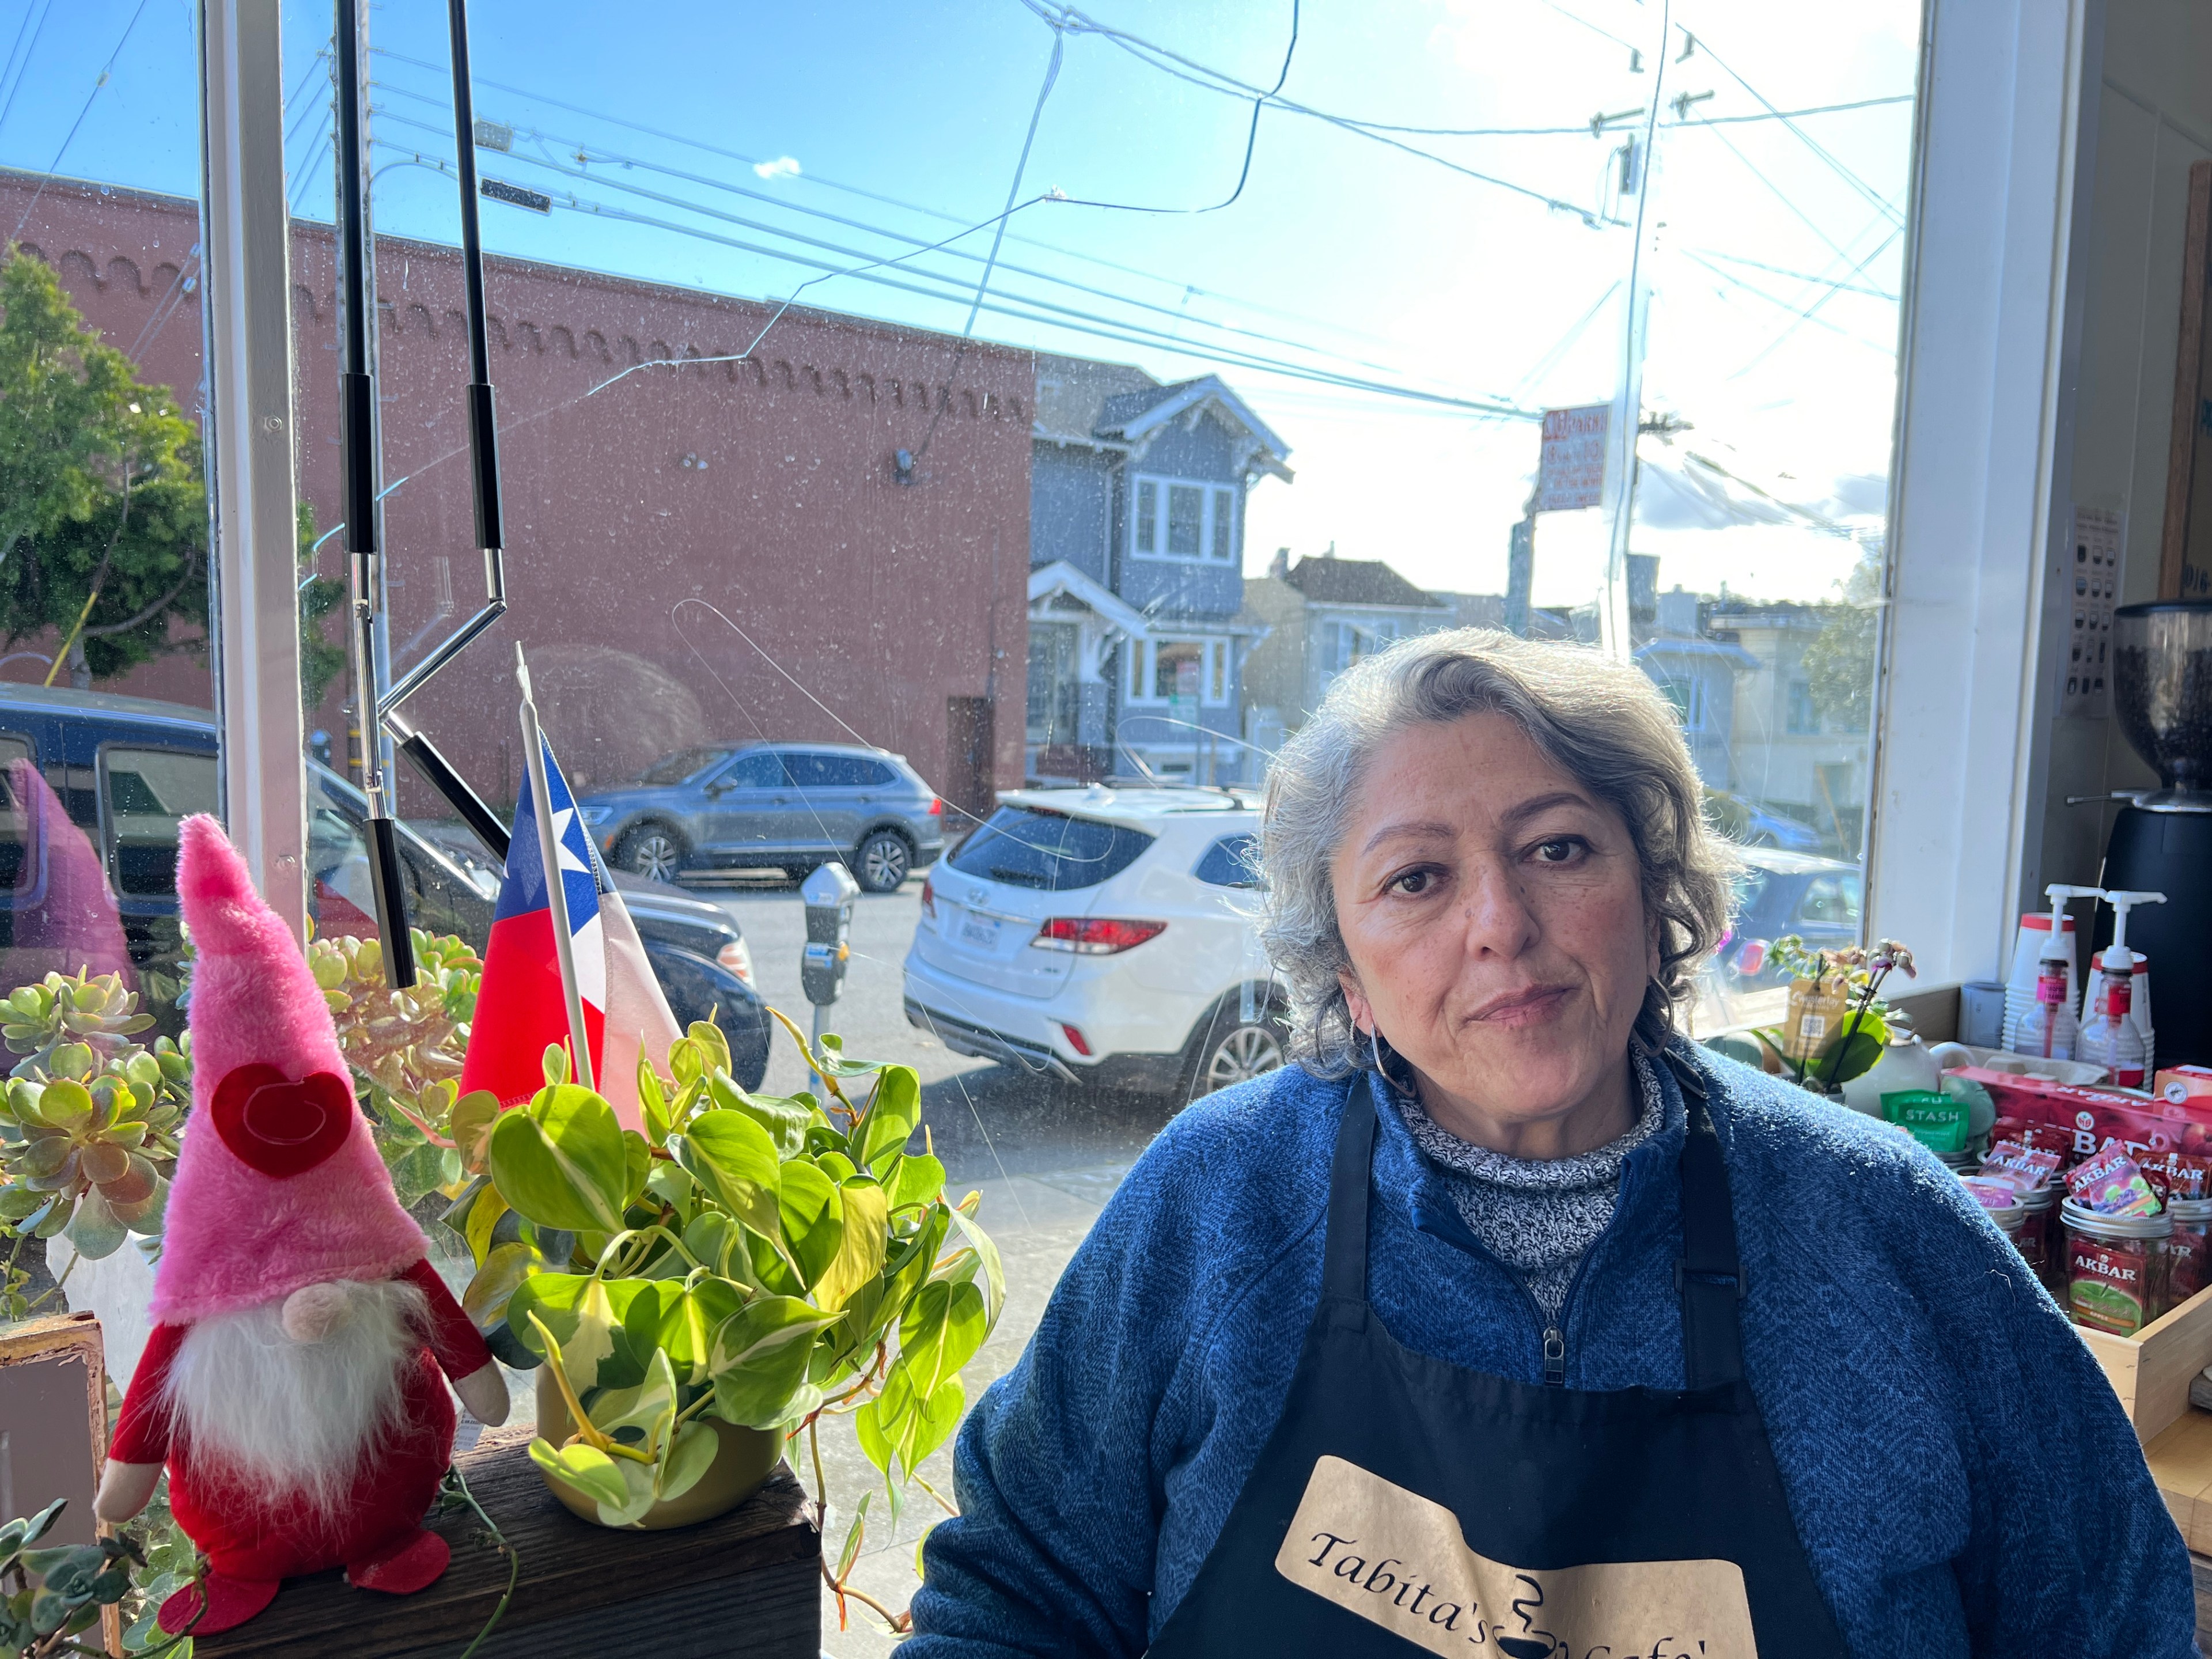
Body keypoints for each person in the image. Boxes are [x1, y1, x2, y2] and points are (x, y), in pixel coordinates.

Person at [908, 630, 2195, 1656]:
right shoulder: (1215, 1202)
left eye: (1558, 848)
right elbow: (1018, 1600)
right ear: (1344, 972)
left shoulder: (1889, 1227)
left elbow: (2112, 1622)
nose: (1501, 925)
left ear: (1656, 897)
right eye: (1416, 878)